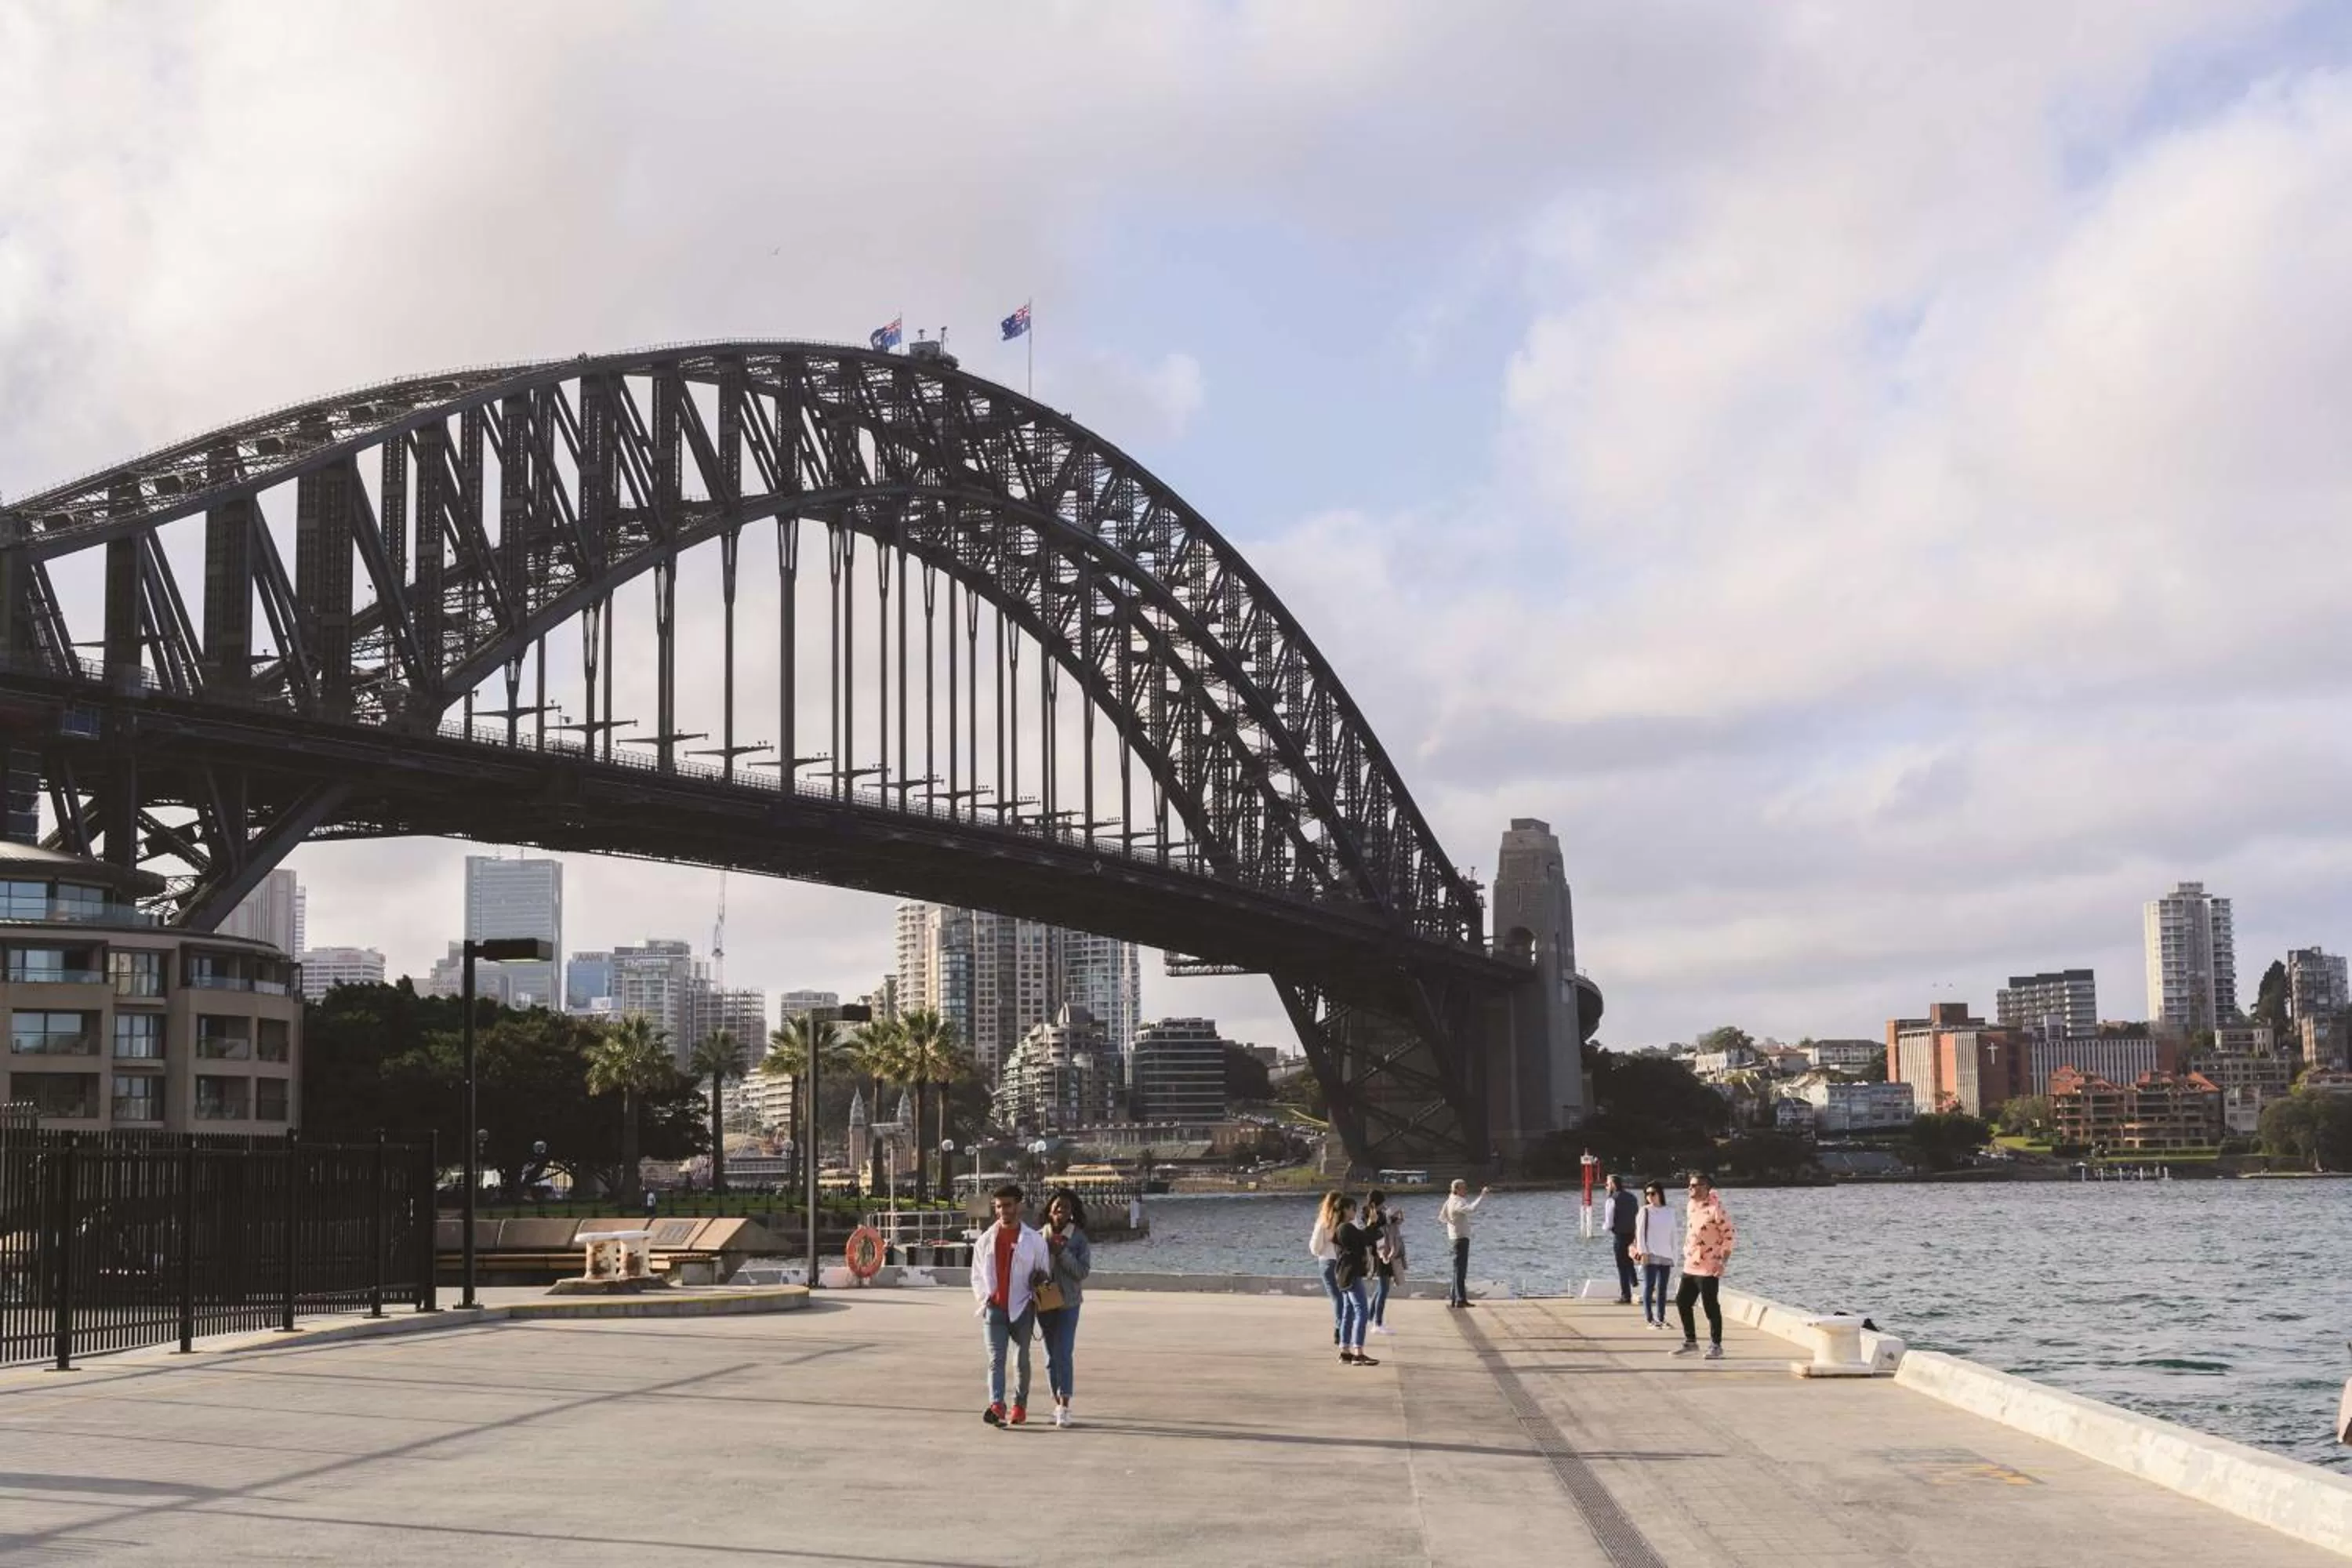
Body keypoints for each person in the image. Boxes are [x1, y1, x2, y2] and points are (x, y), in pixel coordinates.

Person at [971, 1183, 1054, 1425]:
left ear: (1019, 1207)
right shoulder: (985, 1241)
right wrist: (984, 1297)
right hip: (994, 1309)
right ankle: (997, 1405)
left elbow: (1044, 1273)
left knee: (1021, 1359)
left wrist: (1038, 1288)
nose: (1003, 1211)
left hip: (1022, 1309)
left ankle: (1020, 1405)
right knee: (996, 1359)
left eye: (1008, 1206)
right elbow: (976, 1275)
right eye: (998, 1207)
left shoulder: (1035, 1241)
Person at [1038, 1189, 1092, 1428]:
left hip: (1069, 1303)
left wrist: (1063, 1253)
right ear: (1050, 1210)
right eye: (1057, 1207)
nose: (1061, 1211)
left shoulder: (1078, 1239)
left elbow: (1082, 1271)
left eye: (1066, 1208)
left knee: (1064, 1352)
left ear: (1072, 1212)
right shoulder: (1040, 1237)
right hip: (1045, 1302)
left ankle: (1065, 1405)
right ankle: (1055, 1401)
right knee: (1050, 1356)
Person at [1672, 1173, 1737, 1360]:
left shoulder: (1717, 1209)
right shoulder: (1691, 1205)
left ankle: (1716, 1346)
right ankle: (1690, 1341)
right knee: (1682, 1301)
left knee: (1710, 1306)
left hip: (1710, 1266)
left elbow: (1730, 1237)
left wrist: (1723, 1262)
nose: (1690, 1189)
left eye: (1694, 1186)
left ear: (1705, 1187)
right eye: (1689, 1185)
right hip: (1691, 1263)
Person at [1331, 1196, 1381, 1366]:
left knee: (1349, 1311)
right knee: (1362, 1311)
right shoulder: (1345, 1228)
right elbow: (1364, 1239)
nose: (1354, 1212)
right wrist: (1372, 1223)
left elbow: (1364, 1237)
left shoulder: (1343, 1228)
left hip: (1345, 1274)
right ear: (1345, 1209)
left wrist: (1371, 1224)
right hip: (1350, 1274)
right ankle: (1358, 1352)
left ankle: (1345, 1352)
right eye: (1353, 1208)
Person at [1438, 1179, 1491, 1308]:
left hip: (1455, 1238)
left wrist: (1452, 1224)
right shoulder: (1456, 1201)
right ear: (1456, 1189)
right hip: (1460, 1239)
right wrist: (1482, 1196)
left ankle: (1455, 1298)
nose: (1465, 1190)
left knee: (1457, 1270)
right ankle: (1460, 1299)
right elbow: (1471, 1209)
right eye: (1463, 1188)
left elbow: (1442, 1217)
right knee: (1460, 1270)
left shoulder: (1449, 1200)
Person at [1632, 1181, 1676, 1330]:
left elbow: (1673, 1234)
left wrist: (1674, 1255)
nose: (1650, 1196)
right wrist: (1643, 1251)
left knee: (1662, 1288)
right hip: (1650, 1253)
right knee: (1649, 1287)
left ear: (1660, 1194)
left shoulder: (1669, 1211)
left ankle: (1662, 1318)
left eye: (1653, 1193)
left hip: (1666, 1254)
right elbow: (1639, 1232)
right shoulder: (1644, 1211)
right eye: (1647, 1194)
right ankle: (1650, 1319)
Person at [1308, 1190, 1347, 1345]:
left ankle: (1339, 1329)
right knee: (1347, 1296)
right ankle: (1344, 1328)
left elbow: (1315, 1248)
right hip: (1344, 1261)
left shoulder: (1323, 1222)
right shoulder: (1349, 1221)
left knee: (1337, 1298)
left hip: (1327, 1262)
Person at [1367, 1192, 1406, 1336]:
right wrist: (1394, 1216)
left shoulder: (1376, 1214)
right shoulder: (1374, 1215)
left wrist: (1398, 1216)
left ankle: (1370, 1318)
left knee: (1381, 1287)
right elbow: (1385, 1223)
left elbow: (1393, 1220)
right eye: (1383, 1202)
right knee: (1384, 1289)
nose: (1385, 1205)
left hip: (1381, 1253)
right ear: (1378, 1202)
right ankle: (1378, 1323)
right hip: (1381, 1254)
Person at [1604, 1174, 1640, 1305]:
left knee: (1621, 1265)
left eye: (1608, 1184)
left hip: (1620, 1234)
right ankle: (1634, 1281)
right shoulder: (1632, 1197)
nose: (1606, 1186)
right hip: (1632, 1233)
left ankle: (1626, 1295)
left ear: (1613, 1184)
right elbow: (1637, 1216)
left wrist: (1605, 1228)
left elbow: (1609, 1222)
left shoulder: (1612, 1200)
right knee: (1629, 1259)